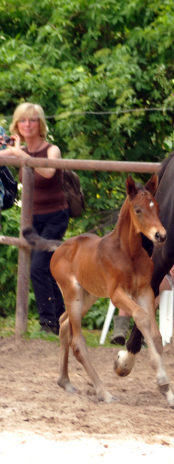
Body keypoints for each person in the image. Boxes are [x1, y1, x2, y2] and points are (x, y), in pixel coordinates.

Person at [5, 103, 69, 335]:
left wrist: (19, 153)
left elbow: (47, 171)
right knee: (48, 269)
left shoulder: (52, 149)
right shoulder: (16, 149)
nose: (27, 125)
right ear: (17, 125)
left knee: (38, 268)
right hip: (33, 219)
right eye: (23, 120)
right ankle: (63, 319)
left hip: (55, 217)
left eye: (32, 120)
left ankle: (48, 324)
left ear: (40, 124)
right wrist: (8, 148)